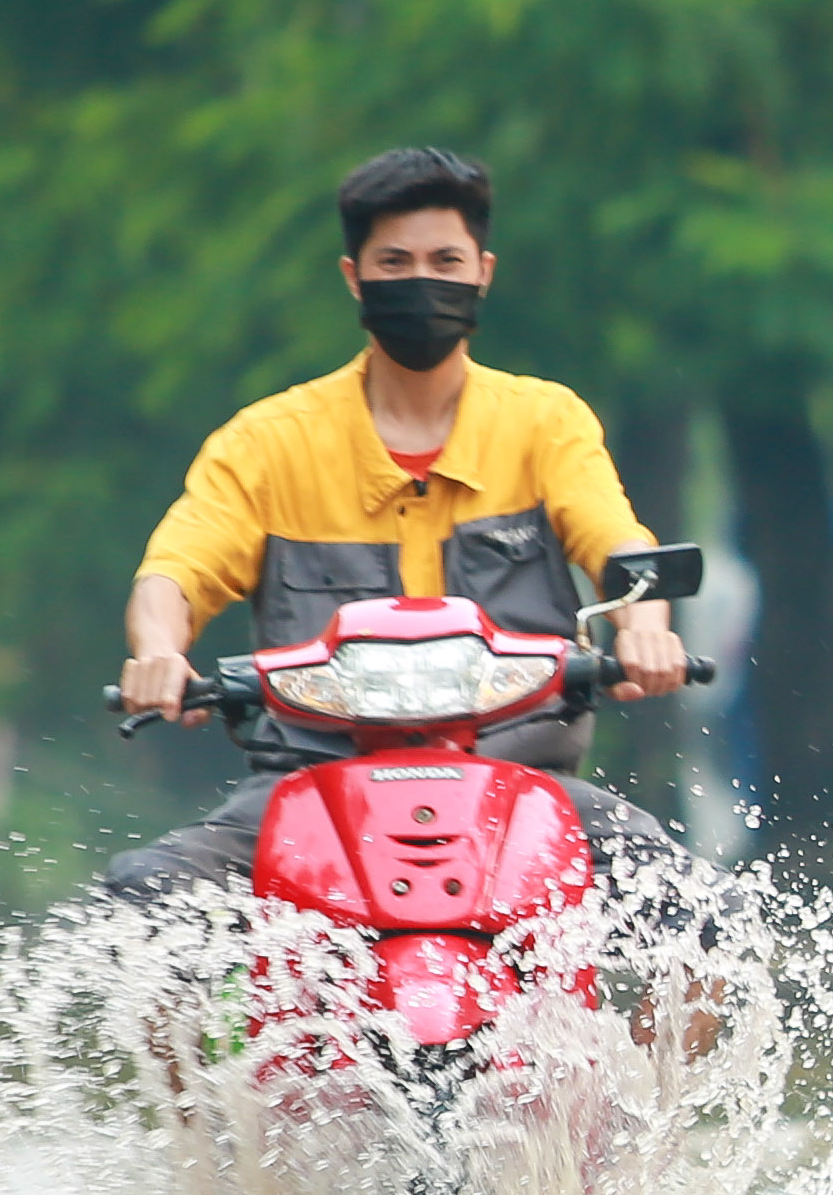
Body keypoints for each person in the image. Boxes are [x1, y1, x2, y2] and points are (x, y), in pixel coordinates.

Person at [103, 146, 696, 898]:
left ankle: (638, 1025)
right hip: (310, 792)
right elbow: (174, 573)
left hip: (520, 792)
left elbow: (621, 548)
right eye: (395, 263)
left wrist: (643, 628)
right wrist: (158, 652)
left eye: (446, 260)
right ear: (354, 278)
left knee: (705, 925)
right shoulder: (268, 441)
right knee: (143, 903)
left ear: (484, 270)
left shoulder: (545, 424)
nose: (424, 281)